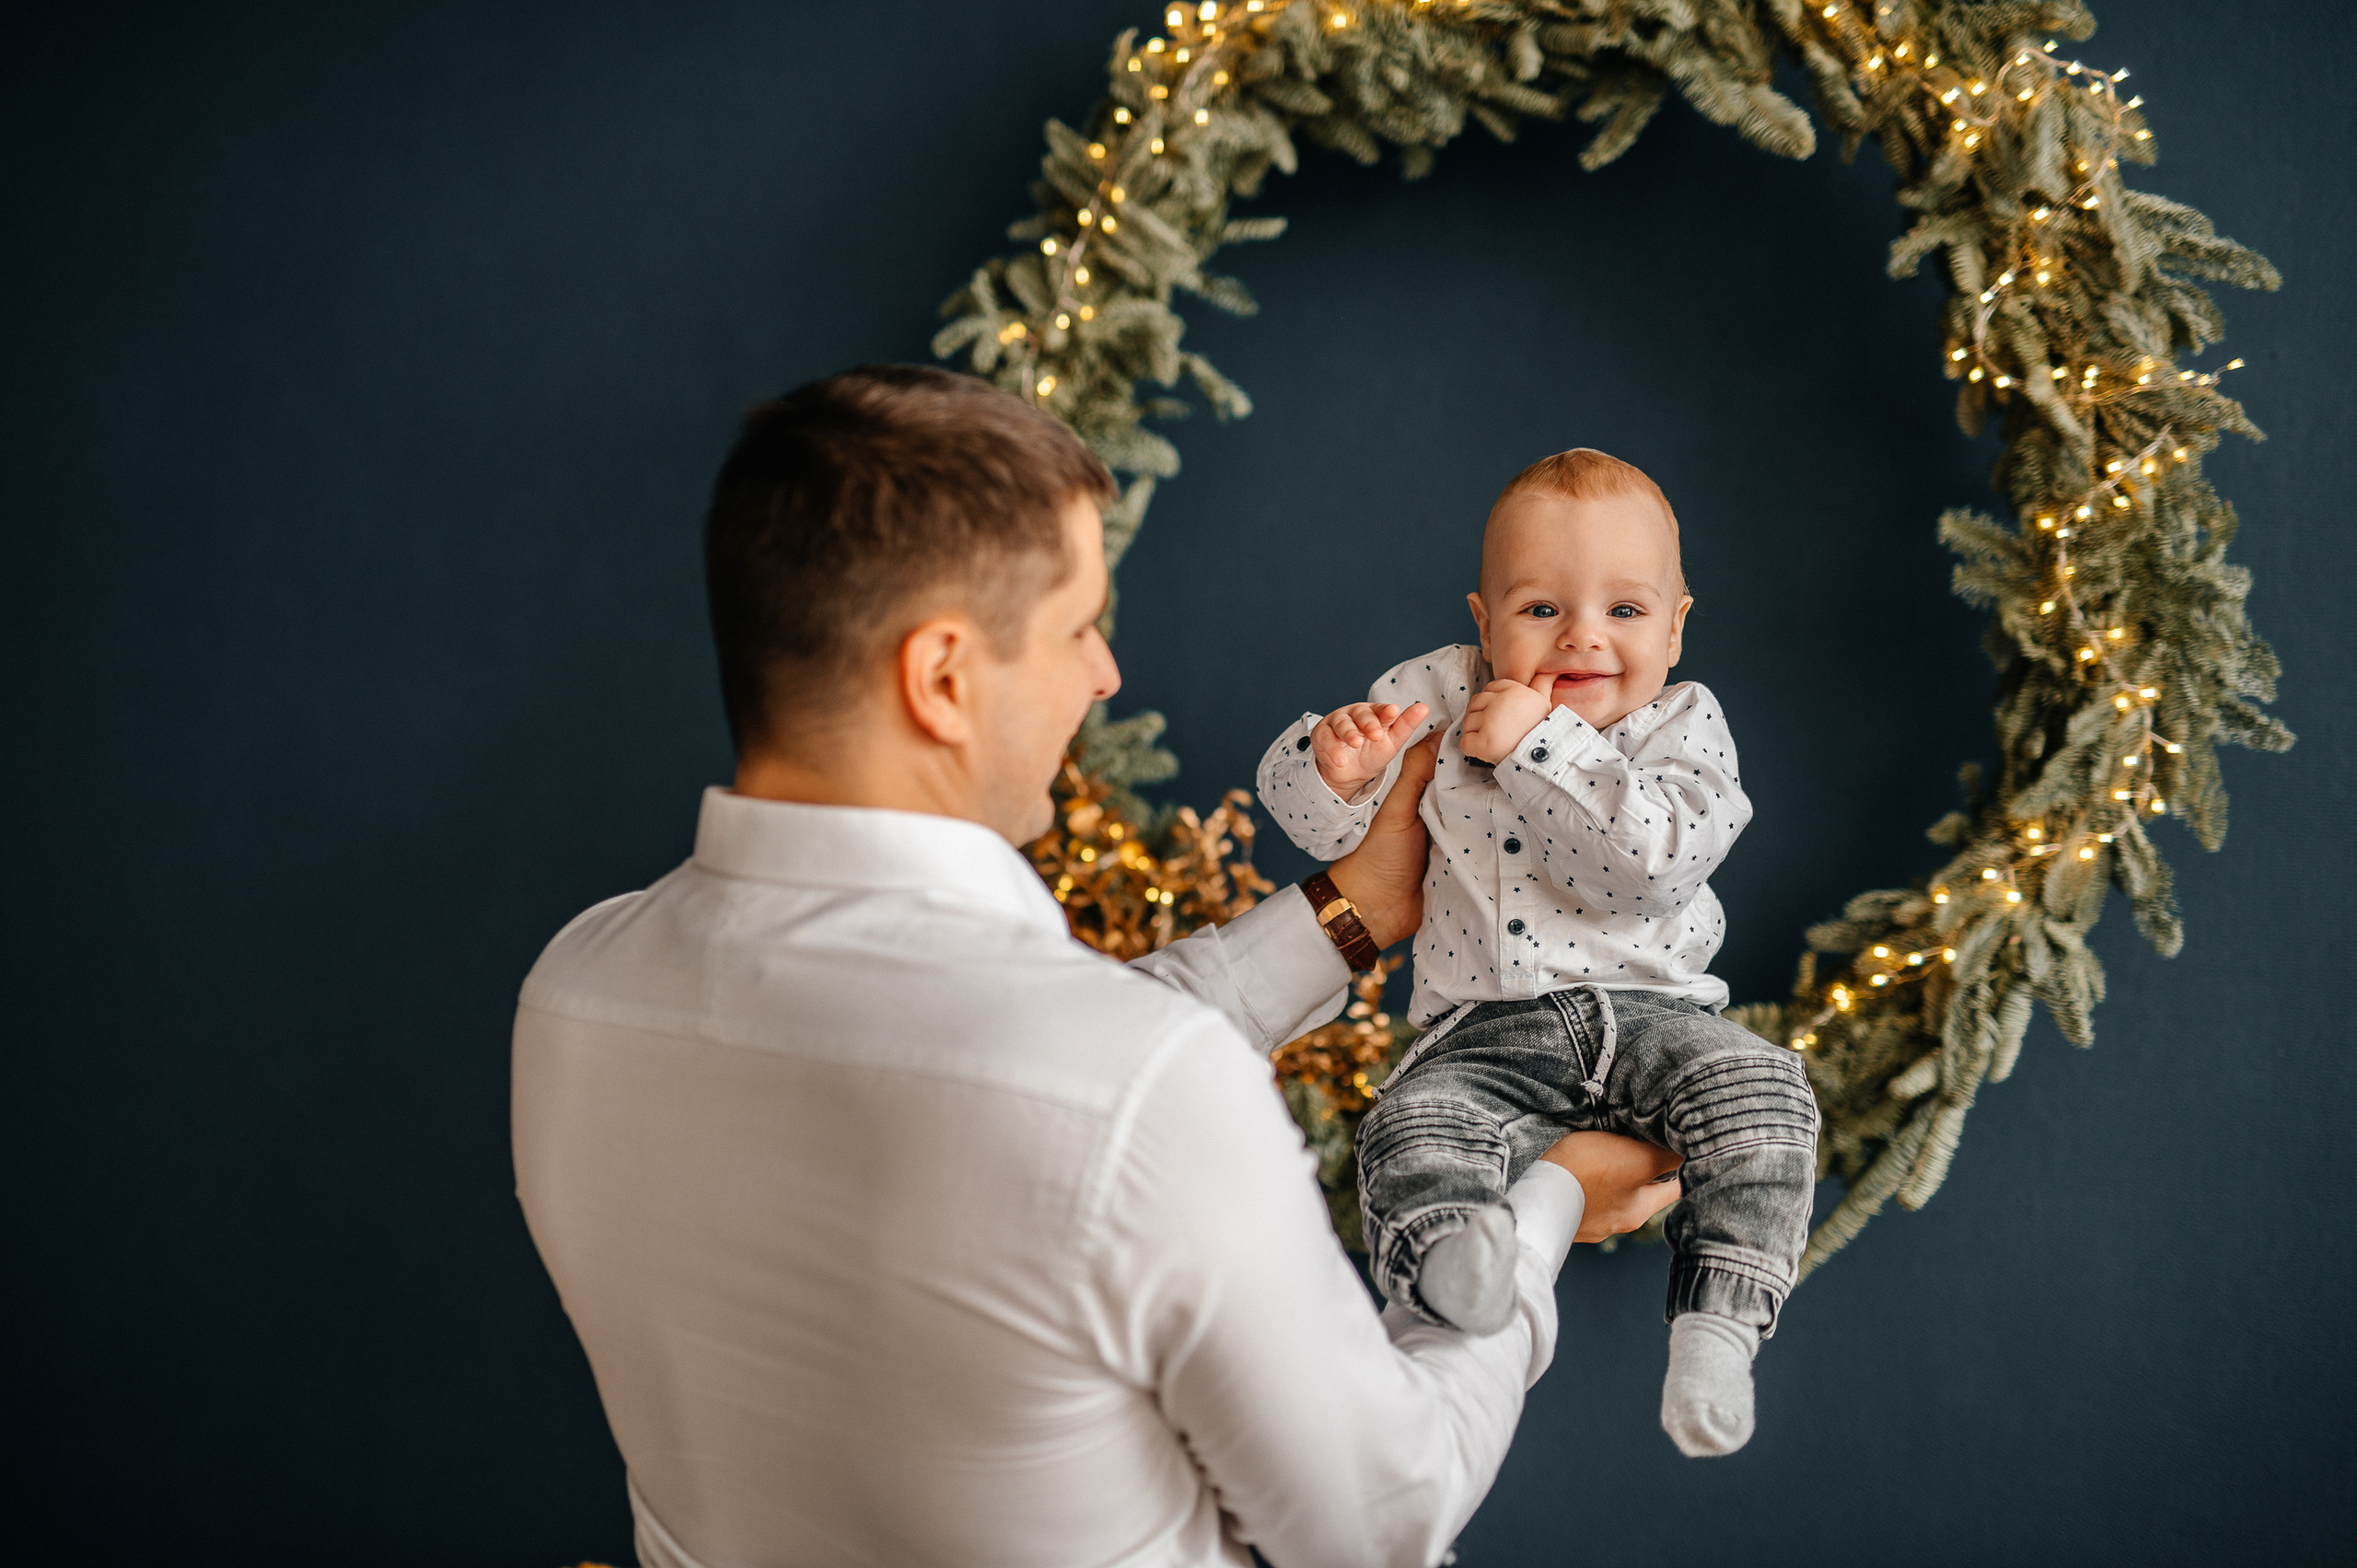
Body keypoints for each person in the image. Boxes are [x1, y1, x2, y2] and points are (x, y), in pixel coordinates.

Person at [511, 367, 1683, 1568]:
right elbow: (1386, 1516)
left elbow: (1038, 1052)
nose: (1105, 673)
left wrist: (1354, 908)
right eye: (1078, 626)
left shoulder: (574, 987)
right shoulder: (1141, 1090)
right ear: (943, 677)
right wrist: (1544, 1202)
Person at [1253, 447, 1818, 1458]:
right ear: (1484, 620)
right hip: (1483, 1032)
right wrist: (1330, 769)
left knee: (1766, 1092)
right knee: (1410, 1123)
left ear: (1676, 625)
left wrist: (1537, 744)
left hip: (1660, 1019)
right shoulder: (1436, 690)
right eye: (1541, 608)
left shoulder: (1686, 725)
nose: (1582, 636)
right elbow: (1326, 831)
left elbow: (1651, 867)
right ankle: (1454, 1270)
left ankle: (1719, 1325)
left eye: (1626, 610)